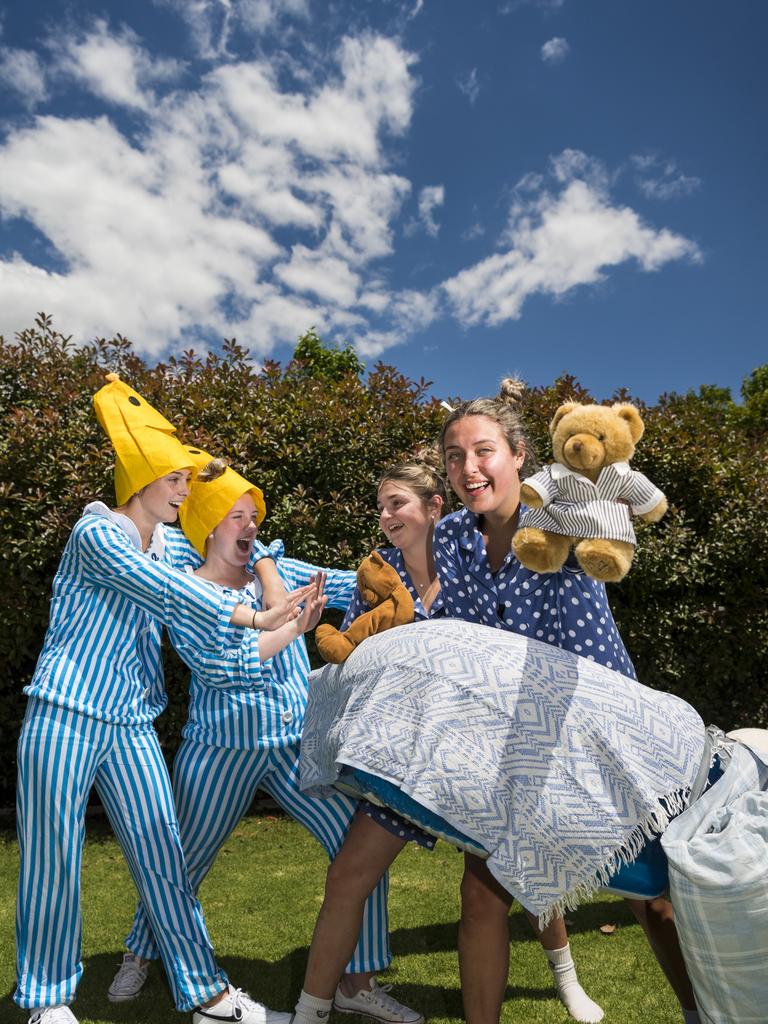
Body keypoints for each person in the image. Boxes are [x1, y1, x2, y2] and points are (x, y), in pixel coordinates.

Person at [15, 376, 312, 1024]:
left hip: (130, 725)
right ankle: (47, 1003)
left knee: (165, 859)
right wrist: (257, 620)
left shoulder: (171, 540)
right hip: (63, 714)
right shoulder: (99, 536)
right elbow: (172, 593)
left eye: (184, 480)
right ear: (140, 479)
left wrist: (217, 481)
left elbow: (220, 536)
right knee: (53, 857)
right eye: (173, 480)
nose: (183, 491)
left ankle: (207, 999)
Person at [108, 456, 423, 1024]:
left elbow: (355, 580)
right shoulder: (186, 591)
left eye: (254, 514)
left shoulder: (273, 567)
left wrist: (414, 578)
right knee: (182, 863)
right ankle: (139, 952)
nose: (250, 524)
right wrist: (290, 626)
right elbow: (222, 667)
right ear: (207, 524)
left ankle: (358, 981)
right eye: (236, 515)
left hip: (291, 747)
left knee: (359, 845)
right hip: (218, 753)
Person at [292, 456, 604, 1024]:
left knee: (521, 867)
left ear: (436, 508)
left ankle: (567, 980)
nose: (387, 516)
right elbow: (362, 652)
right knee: (348, 872)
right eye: (381, 507)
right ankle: (310, 1011)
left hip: (485, 751)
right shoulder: (376, 575)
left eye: (398, 504)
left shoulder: (470, 559)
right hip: (408, 757)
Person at [433, 378, 700, 1024]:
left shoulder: (567, 510)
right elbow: (469, 643)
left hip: (600, 724)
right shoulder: (450, 539)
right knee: (481, 895)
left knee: (651, 898)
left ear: (521, 455)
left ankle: (703, 1014)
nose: (469, 468)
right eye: (454, 456)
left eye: (484, 451)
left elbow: (595, 620)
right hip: (508, 738)